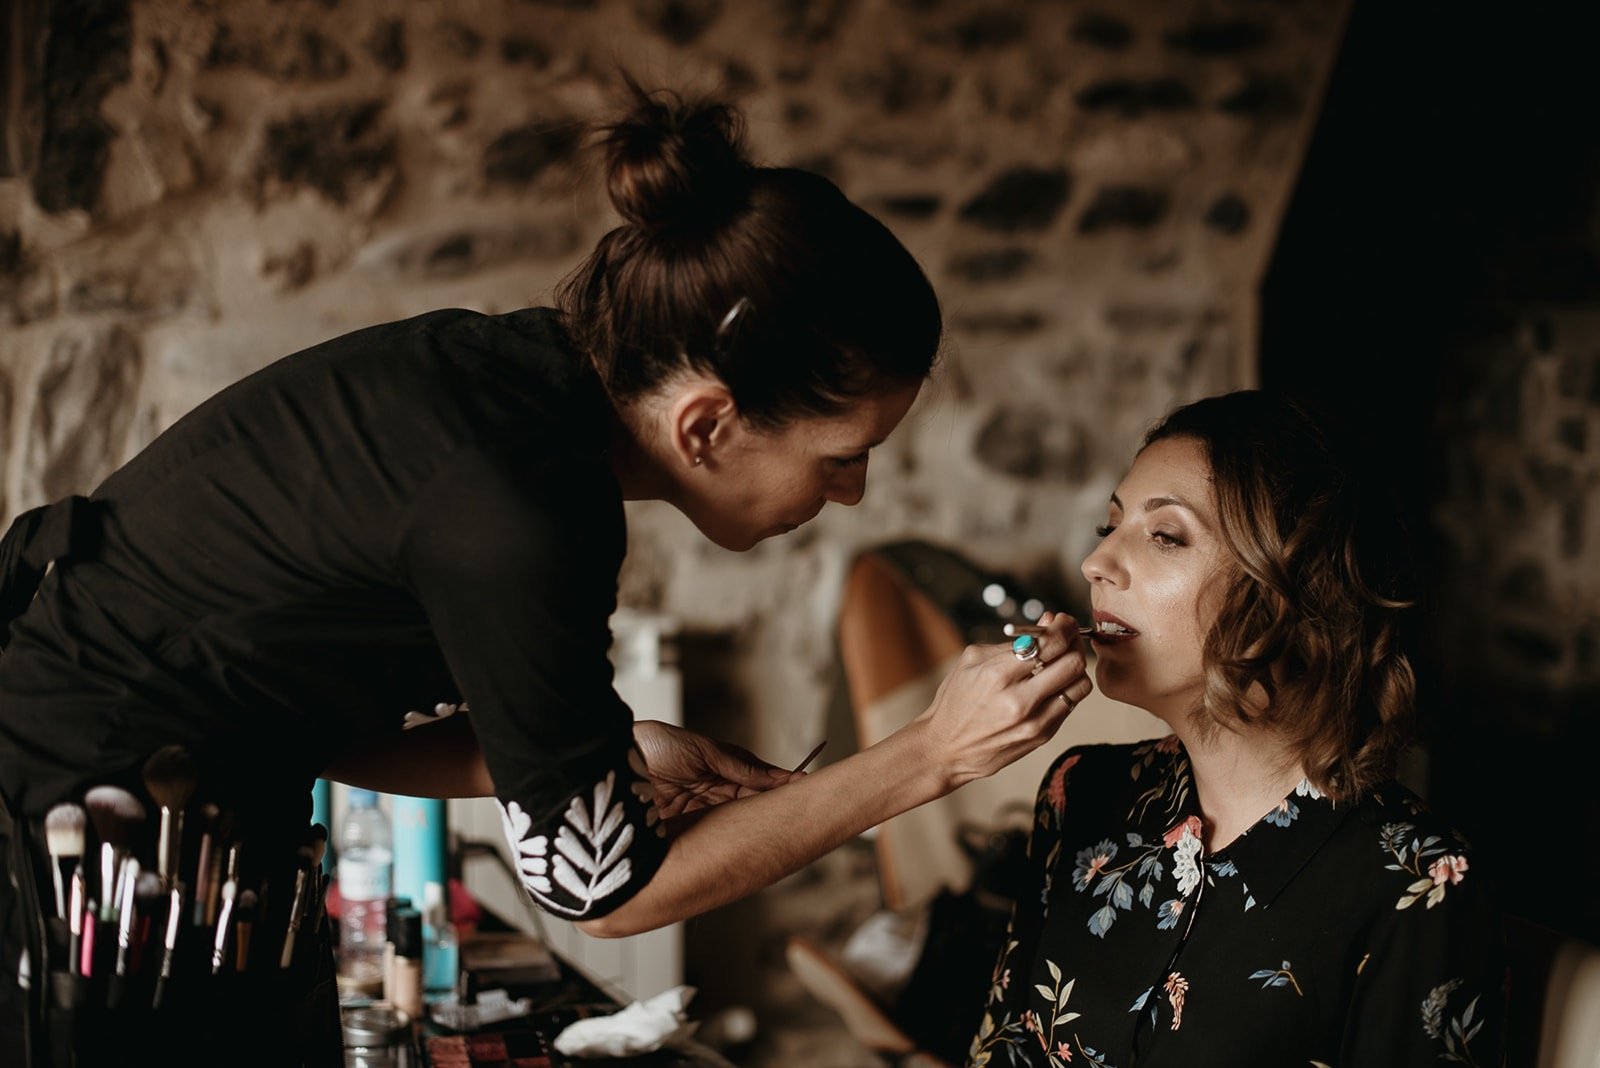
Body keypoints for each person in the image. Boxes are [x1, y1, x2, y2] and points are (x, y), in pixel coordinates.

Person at [0, 86, 1094, 1065]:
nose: (848, 493)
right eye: (841, 455)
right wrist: (929, 758)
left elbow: (287, 702)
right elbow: (606, 893)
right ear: (708, 425)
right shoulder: (523, 511)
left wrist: (592, 760)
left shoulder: (511, 383)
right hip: (91, 846)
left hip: (185, 796)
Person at [966, 391, 1506, 1067]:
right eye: (1111, 526)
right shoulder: (1081, 790)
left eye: (1164, 535)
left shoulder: (1419, 884)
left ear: (1290, 587)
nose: (1095, 563)